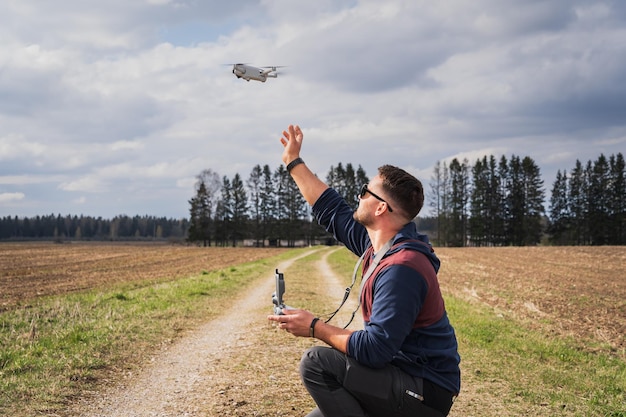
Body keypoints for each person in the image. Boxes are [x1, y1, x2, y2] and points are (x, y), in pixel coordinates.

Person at [268, 125, 461, 417]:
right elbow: (331, 210)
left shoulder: (402, 267)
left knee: (316, 362)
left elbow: (374, 349)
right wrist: (293, 162)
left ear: (381, 208)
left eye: (364, 191)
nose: (358, 197)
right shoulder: (381, 248)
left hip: (423, 393)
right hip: (398, 377)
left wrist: (314, 327)